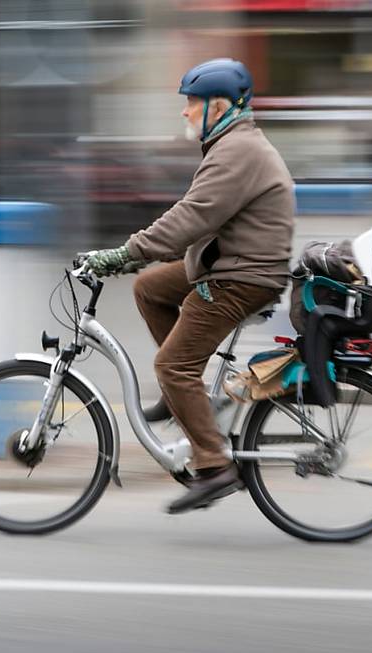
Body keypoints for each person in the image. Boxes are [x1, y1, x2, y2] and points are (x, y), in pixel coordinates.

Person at [82, 58, 295, 514]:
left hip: (241, 277)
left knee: (171, 365)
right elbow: (195, 219)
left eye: (191, 103)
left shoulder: (238, 151)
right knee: (150, 287)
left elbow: (191, 217)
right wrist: (137, 260)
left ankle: (214, 467)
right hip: (232, 264)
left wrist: (123, 252)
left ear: (217, 107)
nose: (184, 112)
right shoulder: (230, 143)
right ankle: (188, 396)